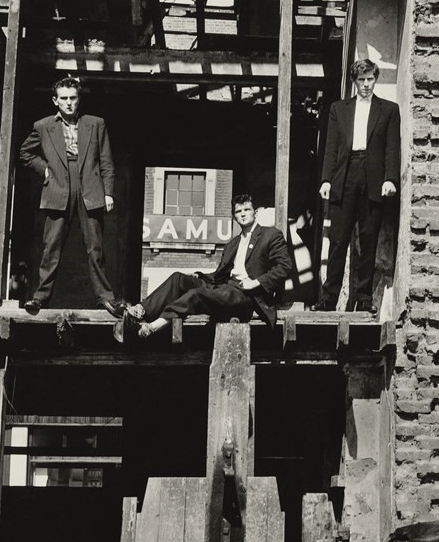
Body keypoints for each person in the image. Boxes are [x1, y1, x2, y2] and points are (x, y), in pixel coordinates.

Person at [18, 77, 123, 316]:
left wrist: (108, 192)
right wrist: (44, 169)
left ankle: (106, 298)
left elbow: (106, 160)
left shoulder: (95, 124)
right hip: (58, 186)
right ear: (55, 100)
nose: (68, 103)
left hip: (90, 186)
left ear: (79, 99)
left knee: (95, 247)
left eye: (73, 98)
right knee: (51, 246)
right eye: (63, 98)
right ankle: (40, 298)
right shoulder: (43, 126)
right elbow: (25, 153)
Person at [124, 193, 292, 338]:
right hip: (224, 286)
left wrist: (256, 282)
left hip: (246, 296)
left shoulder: (270, 235)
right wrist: (201, 276)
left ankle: (151, 327)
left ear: (254, 212)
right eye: (238, 211)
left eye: (246, 210)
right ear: (234, 216)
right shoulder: (233, 243)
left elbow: (284, 266)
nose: (243, 214)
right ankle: (141, 311)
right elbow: (221, 274)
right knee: (178, 279)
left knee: (197, 295)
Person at [312, 58, 401, 313]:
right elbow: (330, 147)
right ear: (354, 81)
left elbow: (392, 148)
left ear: (376, 79)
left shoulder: (389, 110)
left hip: (373, 178)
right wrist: (326, 179)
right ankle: (328, 299)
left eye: (370, 79)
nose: (366, 85)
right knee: (338, 240)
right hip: (345, 174)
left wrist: (390, 179)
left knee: (368, 240)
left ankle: (363, 299)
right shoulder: (339, 109)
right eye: (361, 80)